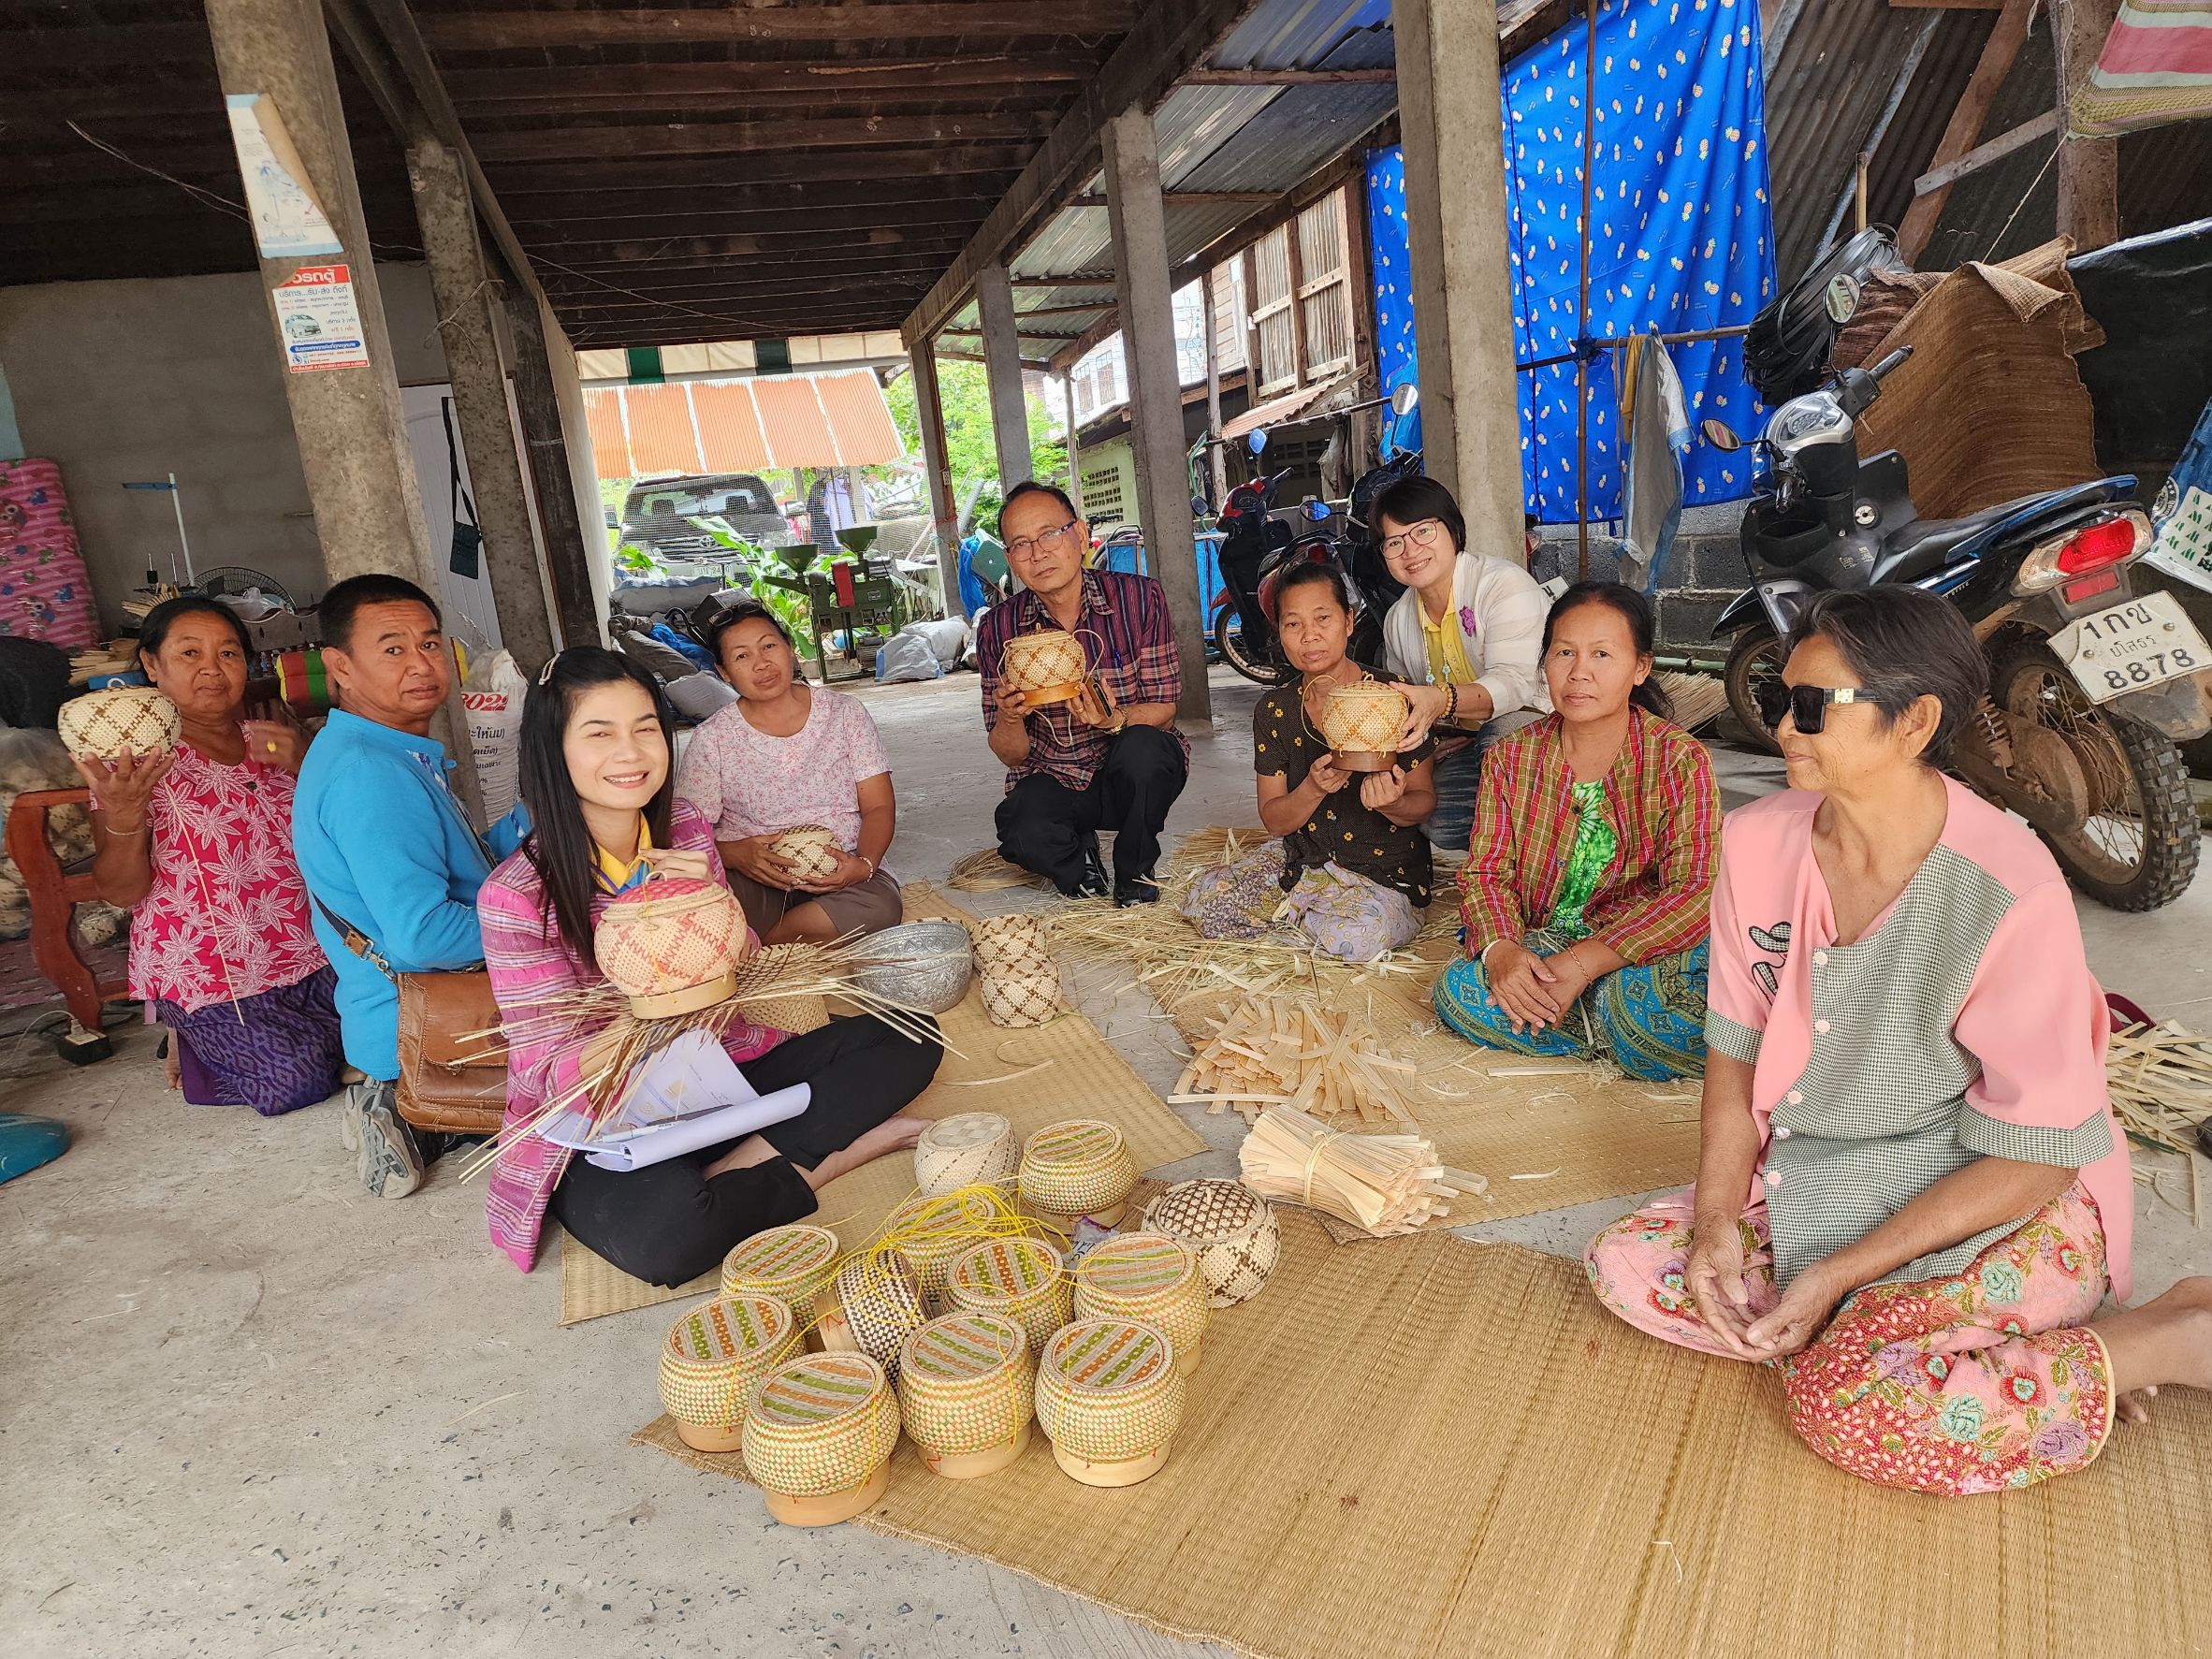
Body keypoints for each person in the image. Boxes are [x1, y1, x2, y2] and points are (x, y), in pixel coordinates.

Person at [1586, 586, 2211, 1494]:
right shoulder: (1756, 845)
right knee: (1631, 1264)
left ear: (1914, 721)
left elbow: (2038, 1158)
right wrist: (1717, 1221)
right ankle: (1974, 1344)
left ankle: (2162, 1338)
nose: (1784, 727)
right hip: (1823, 1179)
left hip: (1992, 1200)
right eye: (1780, 700)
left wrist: (1840, 1272)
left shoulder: (2008, 888)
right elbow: (1735, 1058)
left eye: (1812, 706)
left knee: (1852, 1405)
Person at [481, 649, 941, 1284]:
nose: (631, 752)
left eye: (646, 727)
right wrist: (654, 1002)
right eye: (600, 733)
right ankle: (827, 1158)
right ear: (552, 751)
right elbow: (545, 1071)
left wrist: (710, 905)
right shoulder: (517, 895)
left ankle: (735, 1170)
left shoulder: (686, 829)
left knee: (912, 1036)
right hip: (611, 1110)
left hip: (719, 1069)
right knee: (669, 1240)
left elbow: (746, 965)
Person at [293, 574, 525, 1200]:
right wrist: (551, 920)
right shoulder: (370, 774)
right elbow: (425, 937)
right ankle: (413, 1110)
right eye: (392, 649)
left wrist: (536, 823)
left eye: (428, 643)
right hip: (425, 1025)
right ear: (340, 666)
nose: (421, 664)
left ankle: (412, 1108)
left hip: (403, 1015)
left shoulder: (379, 748)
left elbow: (462, 869)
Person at [1433, 582, 1715, 1081]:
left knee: (1642, 1012)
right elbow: (1486, 874)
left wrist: (1583, 966)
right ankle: (1608, 1028)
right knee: (1459, 993)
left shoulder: (1679, 759)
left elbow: (1695, 890)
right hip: (1549, 942)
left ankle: (1602, 1019)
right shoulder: (1511, 758)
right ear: (1545, 661)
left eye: (1602, 654)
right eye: (1564, 652)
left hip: (1641, 945)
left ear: (1640, 667)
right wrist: (1502, 951)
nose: (1579, 672)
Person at [76, 596, 341, 1114]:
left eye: (228, 653)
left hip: (312, 951)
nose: (212, 670)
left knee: (387, 1044)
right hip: (211, 974)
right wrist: (125, 815)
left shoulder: (276, 744)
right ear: (152, 664)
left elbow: (350, 836)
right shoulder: (133, 769)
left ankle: (201, 1039)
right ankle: (200, 1051)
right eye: (190, 653)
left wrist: (307, 763)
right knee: (295, 1083)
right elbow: (121, 891)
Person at [1184, 563, 1437, 962]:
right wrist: (1313, 789)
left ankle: (1300, 922)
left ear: (1348, 621)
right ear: (1279, 633)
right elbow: (1275, 820)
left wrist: (1394, 803)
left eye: (1323, 619)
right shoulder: (1275, 710)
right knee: (1204, 903)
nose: (1309, 636)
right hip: (1301, 861)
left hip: (1382, 874)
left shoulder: (1395, 696)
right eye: (1293, 624)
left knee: (1355, 938)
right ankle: (1304, 916)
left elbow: (1423, 801)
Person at [978, 481, 1187, 906]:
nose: (1038, 553)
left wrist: (1114, 719)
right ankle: (1080, 861)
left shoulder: (1139, 598)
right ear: (1010, 559)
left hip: (1127, 775)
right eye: (1021, 544)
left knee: (1146, 751)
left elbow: (1166, 708)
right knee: (1021, 829)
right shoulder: (998, 628)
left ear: (1079, 534)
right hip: (1054, 775)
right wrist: (1010, 716)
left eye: (1049, 534)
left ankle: (1135, 869)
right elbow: (1011, 755)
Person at [676, 601, 902, 943]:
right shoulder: (713, 738)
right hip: (757, 878)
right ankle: (788, 935)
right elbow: (686, 835)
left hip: (842, 868)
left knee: (880, 907)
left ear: (789, 647)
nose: (761, 664)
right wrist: (735, 854)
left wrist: (864, 864)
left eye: (768, 646)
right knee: (700, 906)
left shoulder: (844, 713)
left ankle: (760, 942)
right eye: (742, 656)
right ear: (723, 672)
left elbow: (879, 805)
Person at [1372, 476, 1551, 851]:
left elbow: (1516, 685)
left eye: (1423, 531)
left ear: (1453, 530)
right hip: (1468, 741)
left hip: (1541, 726)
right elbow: (1407, 705)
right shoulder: (1397, 620)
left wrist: (1443, 700)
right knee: (1440, 821)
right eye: (1394, 542)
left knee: (1501, 740)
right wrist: (1427, 746)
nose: (1410, 550)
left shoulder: (1503, 585)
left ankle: (1541, 850)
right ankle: (1509, 842)